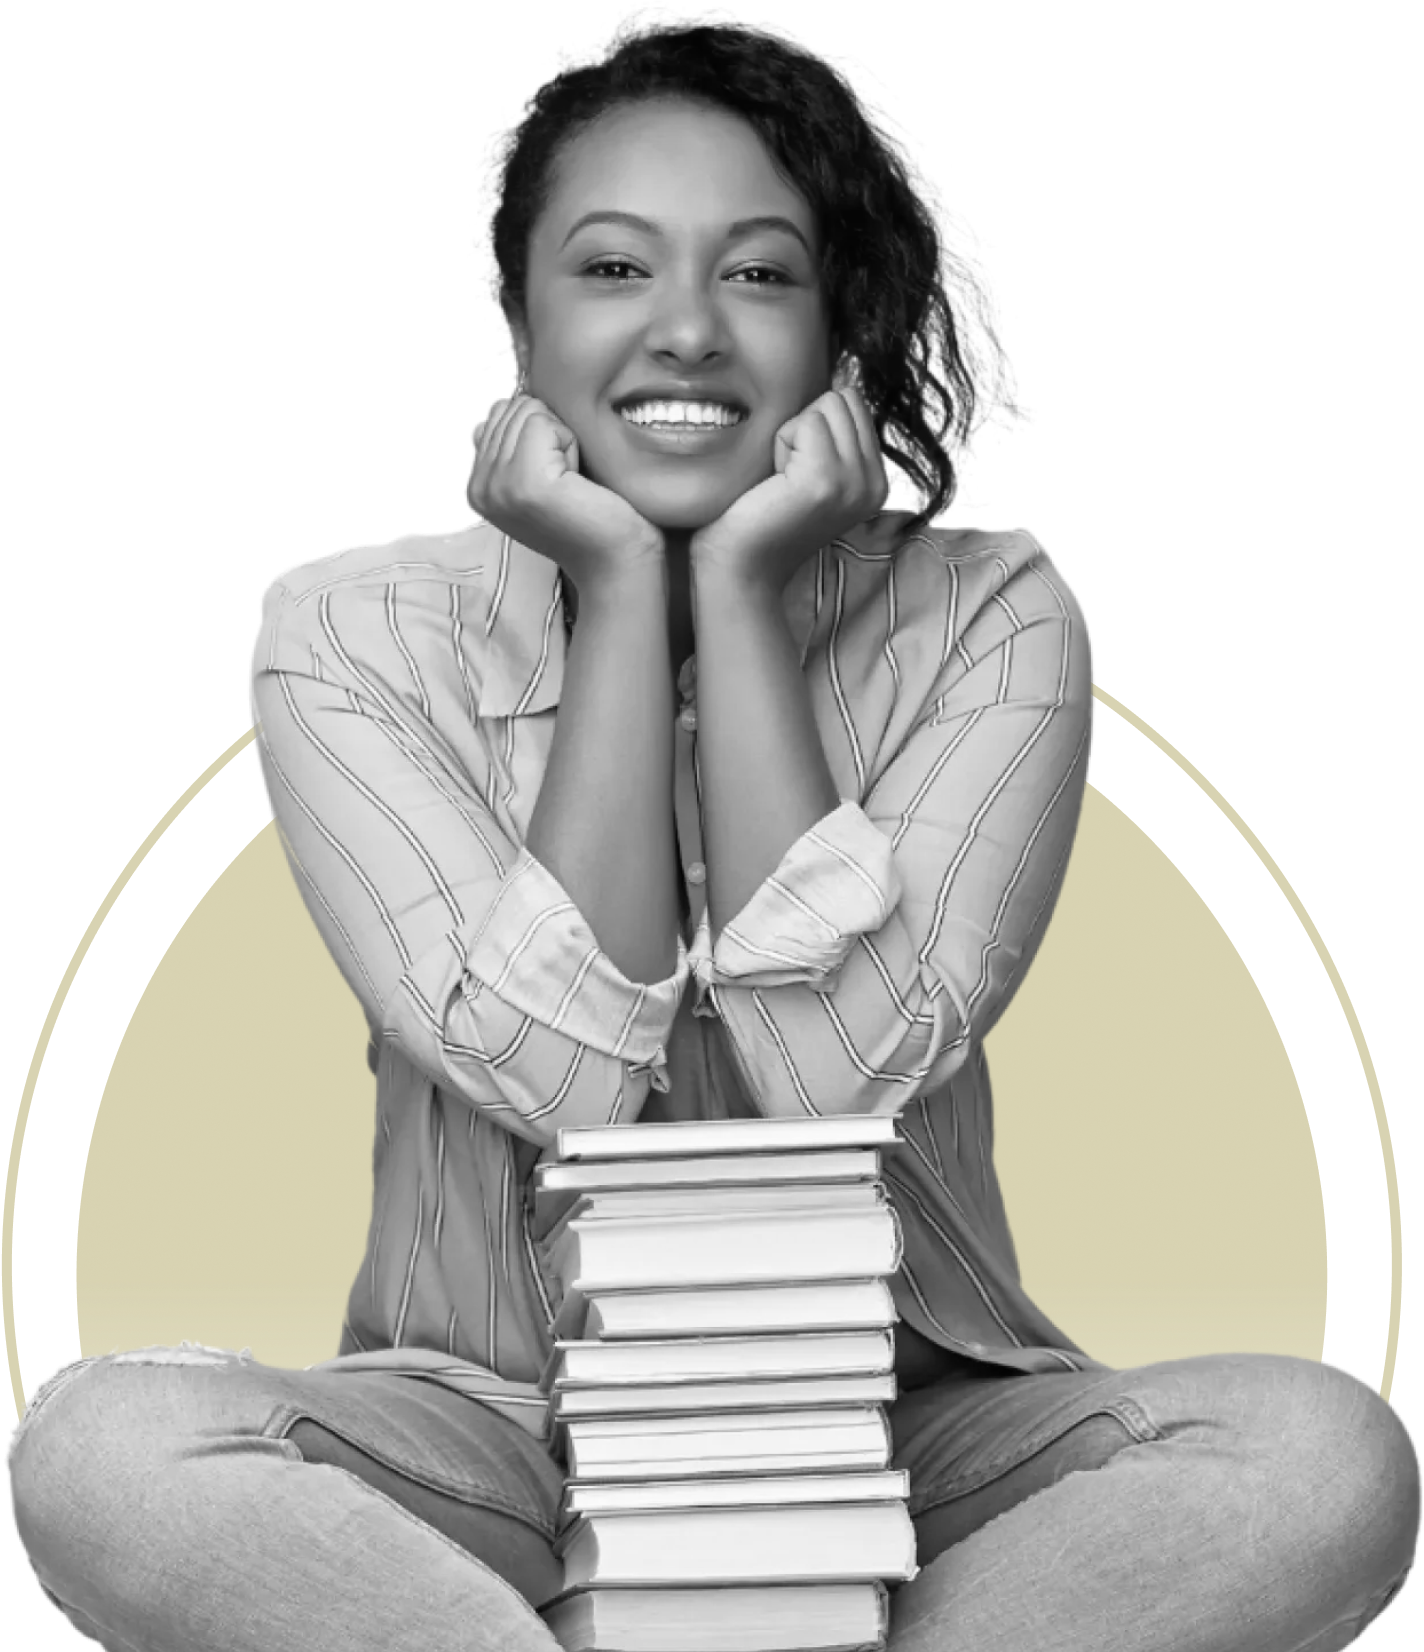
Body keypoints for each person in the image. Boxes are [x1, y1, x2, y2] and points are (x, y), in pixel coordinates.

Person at [6, 13, 1419, 1651]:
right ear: (517, 335)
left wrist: (739, 598)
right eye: (613, 271)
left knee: (1321, 1461)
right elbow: (561, 1078)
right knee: (101, 1451)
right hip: (486, 1432)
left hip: (902, 1415)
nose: (684, 330)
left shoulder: (995, 610)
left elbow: (845, 1074)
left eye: (756, 275)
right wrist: (615, 592)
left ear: (839, 330)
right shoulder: (350, 630)